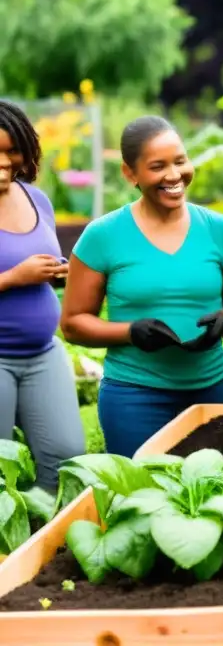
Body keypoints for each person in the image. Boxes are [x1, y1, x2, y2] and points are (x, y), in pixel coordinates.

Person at [61, 116, 223, 457]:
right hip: (134, 397)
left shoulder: (222, 231)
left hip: (211, 391)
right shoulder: (103, 236)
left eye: (180, 161)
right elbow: (74, 323)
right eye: (157, 166)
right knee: (142, 498)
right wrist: (130, 332)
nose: (174, 175)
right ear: (129, 173)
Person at [0, 101, 84, 490]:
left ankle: (49, 547)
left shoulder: (36, 199)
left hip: (42, 354)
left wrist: (57, 272)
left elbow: (42, 259)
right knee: (2, 474)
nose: (4, 161)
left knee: (67, 460)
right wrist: (14, 277)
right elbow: (17, 270)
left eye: (11, 150)